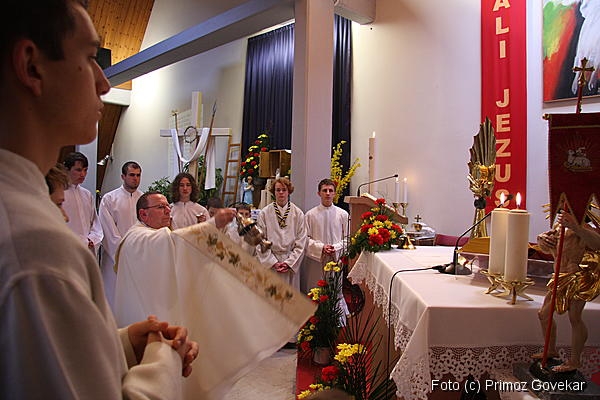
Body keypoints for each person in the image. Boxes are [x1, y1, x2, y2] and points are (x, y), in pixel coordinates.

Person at [0, 1, 198, 398]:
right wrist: (164, 359)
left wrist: (120, 345)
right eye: (91, 57)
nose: (104, 83)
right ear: (32, 66)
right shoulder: (35, 245)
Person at [114, 192, 315, 399]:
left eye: (167, 206)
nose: (167, 211)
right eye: (160, 207)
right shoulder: (138, 237)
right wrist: (213, 223)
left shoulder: (150, 235)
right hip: (144, 320)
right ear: (143, 214)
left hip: (156, 311)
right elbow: (174, 242)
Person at [535, 210, 600, 372]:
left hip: (576, 278)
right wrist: (542, 240)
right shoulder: (559, 227)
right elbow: (547, 248)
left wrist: (576, 227)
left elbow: (597, 244)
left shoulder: (584, 227)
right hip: (559, 276)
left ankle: (575, 361)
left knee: (575, 318)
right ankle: (550, 349)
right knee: (543, 314)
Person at [303, 178, 350, 322]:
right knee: (316, 290)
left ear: (335, 193)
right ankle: (315, 324)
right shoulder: (310, 215)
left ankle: (335, 323)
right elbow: (305, 239)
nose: (328, 193)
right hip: (317, 261)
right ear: (319, 193)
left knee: (335, 292)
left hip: (335, 261)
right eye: (325, 190)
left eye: (331, 190)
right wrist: (321, 248)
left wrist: (336, 248)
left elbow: (348, 239)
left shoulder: (343, 214)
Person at [98, 160, 143, 310]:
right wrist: (122, 251)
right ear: (123, 176)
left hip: (138, 256)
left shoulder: (144, 199)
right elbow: (108, 229)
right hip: (115, 257)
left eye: (138, 175)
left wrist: (138, 250)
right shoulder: (109, 199)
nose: (135, 178)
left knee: (135, 299)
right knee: (113, 296)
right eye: (131, 175)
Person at [256, 177, 307, 290]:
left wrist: (289, 263)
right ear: (273, 192)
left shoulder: (298, 213)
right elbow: (260, 240)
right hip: (272, 261)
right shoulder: (264, 213)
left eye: (284, 190)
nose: (281, 193)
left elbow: (301, 241)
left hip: (290, 260)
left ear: (289, 191)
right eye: (278, 190)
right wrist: (272, 262)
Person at [62, 151, 103, 254]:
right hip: (67, 248)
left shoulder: (87, 194)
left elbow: (95, 222)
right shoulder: (59, 194)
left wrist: (93, 239)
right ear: (66, 170)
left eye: (85, 170)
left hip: (87, 248)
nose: (83, 174)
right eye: (78, 170)